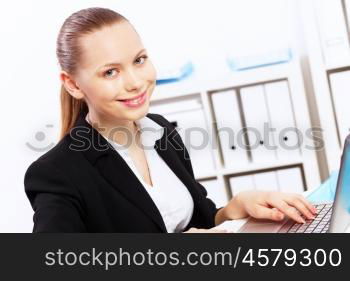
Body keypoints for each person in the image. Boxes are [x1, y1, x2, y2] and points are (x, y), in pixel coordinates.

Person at [24, 7, 317, 233]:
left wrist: (233, 209)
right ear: (73, 84)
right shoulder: (56, 173)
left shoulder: (161, 130)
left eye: (139, 60)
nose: (136, 82)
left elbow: (198, 221)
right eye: (110, 72)